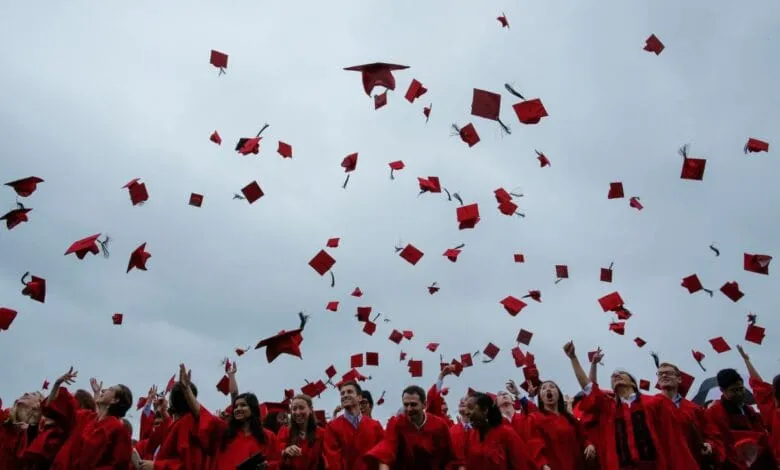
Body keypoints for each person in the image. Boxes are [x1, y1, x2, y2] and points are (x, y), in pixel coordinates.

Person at [564, 341, 699, 469]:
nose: (616, 375)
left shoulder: (655, 403)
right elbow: (589, 388)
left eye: (621, 374)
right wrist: (573, 358)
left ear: (633, 383)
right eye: (613, 376)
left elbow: (672, 439)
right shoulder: (608, 407)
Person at [46, 367, 133, 469]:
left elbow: (118, 466)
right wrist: (57, 384)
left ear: (115, 400)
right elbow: (54, 408)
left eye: (110, 389)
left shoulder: (119, 429)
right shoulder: (85, 417)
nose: (104, 390)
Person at [364, 385, 455, 469]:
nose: (409, 409)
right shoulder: (397, 424)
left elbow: (450, 457)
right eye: (406, 404)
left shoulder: (439, 425)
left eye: (413, 404)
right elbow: (387, 451)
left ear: (424, 404)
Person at [655, 359, 724, 468]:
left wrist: (710, 445)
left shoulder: (695, 409)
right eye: (660, 374)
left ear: (679, 379)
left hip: (694, 461)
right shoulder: (651, 406)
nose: (663, 375)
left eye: (668, 373)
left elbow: (711, 434)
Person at [705, 365, 776, 469]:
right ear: (722, 390)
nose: (739, 393)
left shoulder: (750, 410)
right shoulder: (714, 413)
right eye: (734, 390)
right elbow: (718, 442)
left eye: (741, 388)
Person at [526, 380, 596, 470]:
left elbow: (583, 437)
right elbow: (535, 445)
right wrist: (543, 465)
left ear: (559, 394)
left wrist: (589, 445)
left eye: (552, 387)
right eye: (543, 388)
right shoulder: (535, 418)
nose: (548, 389)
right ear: (540, 397)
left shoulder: (569, 418)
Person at [457, 392, 535, 469]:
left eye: (470, 408)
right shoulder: (470, 436)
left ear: (485, 410)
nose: (466, 412)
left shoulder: (506, 433)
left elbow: (522, 465)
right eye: (466, 408)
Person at [323, 380, 384, 470]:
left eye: (349, 392)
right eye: (342, 393)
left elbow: (383, 455)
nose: (345, 395)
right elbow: (333, 461)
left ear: (359, 397)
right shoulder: (332, 427)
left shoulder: (375, 426)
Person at [737, 344, 780, 466]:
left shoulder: (771, 409)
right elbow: (759, 383)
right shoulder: (772, 408)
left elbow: (758, 384)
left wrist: (746, 360)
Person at [277, 394, 329, 469]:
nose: (298, 412)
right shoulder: (284, 432)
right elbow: (275, 456)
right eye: (294, 409)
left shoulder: (321, 433)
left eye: (301, 408)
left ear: (310, 409)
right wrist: (285, 451)